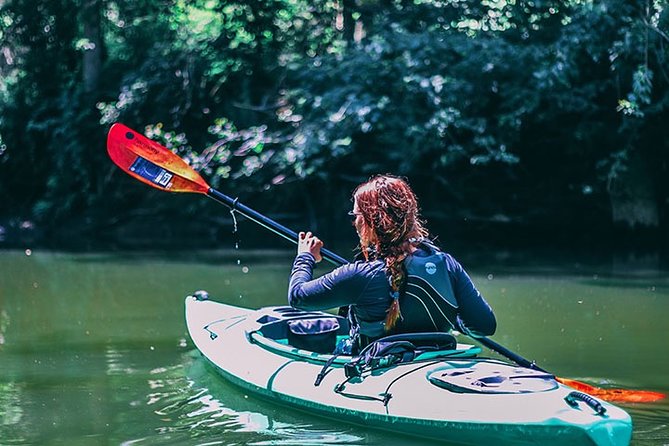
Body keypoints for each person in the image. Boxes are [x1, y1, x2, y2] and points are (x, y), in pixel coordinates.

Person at [288, 174, 496, 354]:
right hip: (434, 357)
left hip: (381, 369)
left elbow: (298, 297)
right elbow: (484, 325)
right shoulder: (446, 263)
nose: (354, 222)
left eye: (356, 215)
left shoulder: (361, 275)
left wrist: (305, 256)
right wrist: (450, 315)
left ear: (371, 220)